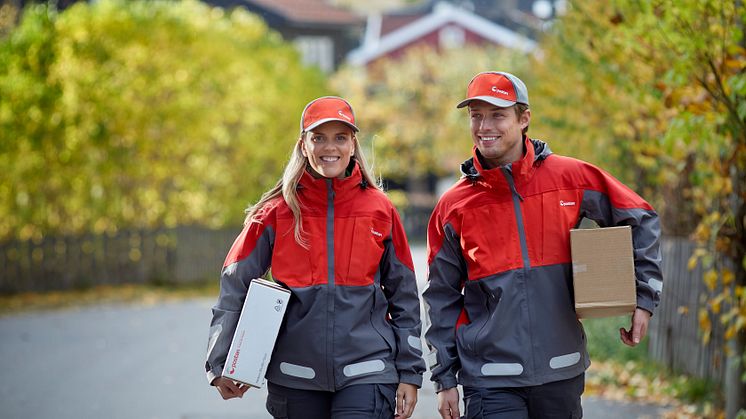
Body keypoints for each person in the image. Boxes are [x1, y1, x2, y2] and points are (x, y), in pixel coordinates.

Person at [422, 72, 662, 419]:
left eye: (497, 115)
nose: (484, 125)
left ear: (524, 119)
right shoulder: (454, 206)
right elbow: (440, 295)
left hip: (560, 369)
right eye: (476, 115)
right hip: (490, 379)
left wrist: (644, 298)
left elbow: (642, 218)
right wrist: (444, 377)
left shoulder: (570, 178)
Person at [203, 96, 425, 419]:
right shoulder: (275, 212)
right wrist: (220, 360)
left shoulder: (381, 210)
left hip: (368, 371)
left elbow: (404, 297)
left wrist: (410, 371)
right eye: (318, 137)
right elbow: (234, 285)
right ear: (303, 145)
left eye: (340, 137)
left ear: (352, 144)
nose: (329, 147)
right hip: (294, 377)